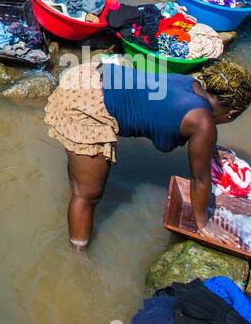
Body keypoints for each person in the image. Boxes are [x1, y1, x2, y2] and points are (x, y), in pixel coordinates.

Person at [44, 58, 251, 250]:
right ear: (232, 113)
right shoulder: (203, 123)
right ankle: (77, 254)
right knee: (88, 195)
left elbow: (167, 110)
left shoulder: (190, 84)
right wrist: (204, 224)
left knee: (82, 183)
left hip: (89, 75)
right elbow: (200, 179)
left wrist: (209, 148)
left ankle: (77, 187)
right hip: (87, 103)